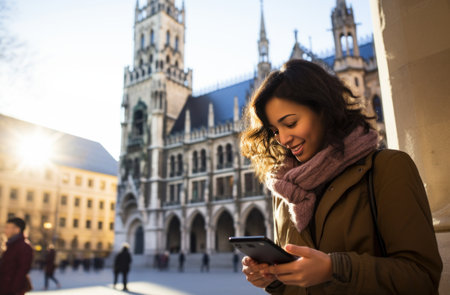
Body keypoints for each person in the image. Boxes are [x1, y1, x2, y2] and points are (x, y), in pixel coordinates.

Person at [239, 59, 443, 294]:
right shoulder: (285, 191)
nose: (283, 139)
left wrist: (334, 269)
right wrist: (273, 277)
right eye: (275, 131)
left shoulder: (387, 169)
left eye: (291, 123)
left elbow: (422, 279)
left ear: (324, 109)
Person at [0, 217, 33, 295]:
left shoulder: (23, 246)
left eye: (8, 227)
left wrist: (14, 289)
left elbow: (22, 270)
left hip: (11, 290)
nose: (5, 230)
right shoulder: (10, 244)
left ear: (17, 229)